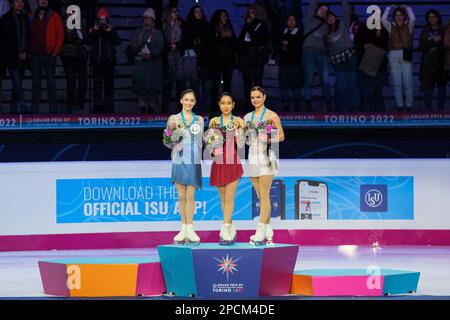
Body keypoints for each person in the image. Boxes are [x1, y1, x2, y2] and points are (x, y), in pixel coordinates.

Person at [244, 86, 285, 246]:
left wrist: (266, 137)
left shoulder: (271, 115)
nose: (255, 100)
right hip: (253, 157)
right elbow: (246, 140)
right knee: (260, 196)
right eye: (253, 97)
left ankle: (260, 231)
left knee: (265, 194)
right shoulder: (247, 117)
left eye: (258, 97)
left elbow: (281, 136)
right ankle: (268, 230)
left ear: (264, 97)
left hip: (268, 156)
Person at [164, 89, 204, 245]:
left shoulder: (199, 119)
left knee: (190, 195)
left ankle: (190, 228)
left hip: (193, 158)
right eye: (186, 99)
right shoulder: (173, 119)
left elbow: (200, 138)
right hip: (178, 157)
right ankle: (183, 228)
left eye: (191, 100)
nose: (189, 103)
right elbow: (167, 140)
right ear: (181, 100)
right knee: (181, 195)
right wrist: (174, 141)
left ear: (194, 103)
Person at [208, 93, 245, 245]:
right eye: (223, 103)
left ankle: (225, 230)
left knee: (230, 198)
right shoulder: (214, 121)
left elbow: (242, 145)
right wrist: (212, 147)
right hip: (218, 162)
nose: (226, 106)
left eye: (229, 103)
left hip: (232, 162)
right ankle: (230, 227)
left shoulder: (238, 121)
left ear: (233, 105)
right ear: (219, 104)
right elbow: (210, 144)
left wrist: (239, 130)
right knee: (223, 199)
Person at [30, 0, 64, 114]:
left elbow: (60, 35)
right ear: (38, 2)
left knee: (50, 83)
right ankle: (35, 110)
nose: (43, 1)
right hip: (35, 56)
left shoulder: (54, 16)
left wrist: (55, 52)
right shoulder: (31, 16)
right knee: (35, 83)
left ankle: (53, 110)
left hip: (50, 55)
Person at [130, 8, 165, 114]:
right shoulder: (137, 32)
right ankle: (142, 113)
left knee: (152, 92)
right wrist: (139, 49)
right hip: (140, 65)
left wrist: (151, 54)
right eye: (145, 18)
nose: (146, 20)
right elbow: (133, 45)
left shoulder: (158, 33)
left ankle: (151, 113)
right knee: (141, 92)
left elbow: (160, 46)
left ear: (153, 20)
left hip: (153, 65)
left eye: (148, 18)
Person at [325, 0, 358, 112]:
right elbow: (328, 49)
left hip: (350, 55)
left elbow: (347, 10)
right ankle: (343, 109)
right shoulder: (326, 33)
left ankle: (353, 108)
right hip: (337, 60)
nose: (330, 18)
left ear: (335, 16)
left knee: (352, 82)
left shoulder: (343, 23)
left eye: (331, 16)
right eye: (327, 18)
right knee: (342, 84)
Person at [382, 5, 416, 111]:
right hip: (393, 55)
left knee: (408, 82)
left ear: (404, 16)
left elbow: (413, 18)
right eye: (396, 15)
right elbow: (383, 19)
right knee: (396, 83)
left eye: (400, 15)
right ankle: (400, 106)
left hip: (406, 54)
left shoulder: (409, 26)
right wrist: (388, 9)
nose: (398, 17)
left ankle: (409, 106)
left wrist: (407, 8)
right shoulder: (390, 26)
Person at [88, 7, 121, 114]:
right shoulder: (94, 30)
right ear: (98, 20)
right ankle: (97, 111)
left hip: (109, 62)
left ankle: (109, 111)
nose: (102, 22)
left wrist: (111, 32)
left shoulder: (111, 29)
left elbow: (118, 42)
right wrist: (95, 31)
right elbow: (89, 42)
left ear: (107, 20)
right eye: (100, 20)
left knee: (109, 87)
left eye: (104, 20)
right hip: (97, 63)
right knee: (97, 88)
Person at [0, 0, 31, 114]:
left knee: (17, 84)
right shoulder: (5, 19)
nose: (20, 4)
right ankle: (23, 106)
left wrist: (26, 52)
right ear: (12, 4)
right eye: (17, 1)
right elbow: (6, 39)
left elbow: (28, 37)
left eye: (22, 2)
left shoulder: (25, 17)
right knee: (17, 81)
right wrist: (17, 52)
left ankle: (13, 111)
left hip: (23, 56)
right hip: (11, 56)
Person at [238, 5, 269, 113]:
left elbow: (260, 40)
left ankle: (259, 106)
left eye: (253, 12)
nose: (251, 14)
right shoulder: (246, 25)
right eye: (249, 12)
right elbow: (241, 42)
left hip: (256, 58)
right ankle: (248, 105)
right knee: (247, 83)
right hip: (246, 59)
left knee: (257, 82)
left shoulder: (261, 25)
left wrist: (250, 25)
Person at [354, 19, 389, 112]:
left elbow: (386, 46)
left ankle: (381, 117)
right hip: (365, 63)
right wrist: (363, 46)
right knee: (364, 91)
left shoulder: (385, 28)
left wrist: (379, 34)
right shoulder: (363, 27)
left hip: (379, 65)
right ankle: (363, 115)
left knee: (377, 91)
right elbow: (357, 43)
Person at [303, 0, 332, 111]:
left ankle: (328, 102)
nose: (323, 12)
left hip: (321, 54)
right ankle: (308, 103)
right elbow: (312, 3)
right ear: (317, 9)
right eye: (321, 9)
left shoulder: (326, 25)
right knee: (308, 79)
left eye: (325, 11)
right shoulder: (310, 17)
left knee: (325, 80)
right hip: (308, 52)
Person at [185, 5, 215, 114]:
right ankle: (196, 114)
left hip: (206, 62)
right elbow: (186, 43)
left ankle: (206, 114)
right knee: (195, 90)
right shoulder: (188, 26)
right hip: (193, 62)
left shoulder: (207, 26)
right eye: (196, 12)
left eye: (200, 11)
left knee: (206, 89)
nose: (198, 13)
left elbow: (211, 44)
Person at [60, 4, 88, 113]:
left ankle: (80, 105)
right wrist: (77, 33)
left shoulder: (82, 22)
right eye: (71, 12)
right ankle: (70, 106)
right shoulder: (63, 23)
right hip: (69, 55)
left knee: (83, 82)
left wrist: (78, 33)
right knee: (70, 83)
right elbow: (68, 37)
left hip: (81, 55)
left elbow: (84, 38)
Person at [419, 9, 447, 111]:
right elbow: (421, 47)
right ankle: (428, 114)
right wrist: (433, 42)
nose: (432, 19)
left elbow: (447, 46)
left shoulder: (444, 29)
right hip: (428, 65)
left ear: (438, 17)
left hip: (441, 64)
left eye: (434, 16)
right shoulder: (425, 31)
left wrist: (438, 46)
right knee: (428, 91)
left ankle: (441, 114)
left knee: (441, 90)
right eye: (429, 17)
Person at [211, 9, 237, 108]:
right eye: (223, 16)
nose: (225, 17)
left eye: (226, 16)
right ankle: (214, 106)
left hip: (228, 60)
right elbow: (212, 43)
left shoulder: (229, 27)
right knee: (216, 84)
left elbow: (235, 42)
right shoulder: (214, 28)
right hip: (217, 60)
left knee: (227, 84)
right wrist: (221, 36)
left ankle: (227, 105)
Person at [277, 14, 303, 112]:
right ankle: (285, 103)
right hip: (283, 64)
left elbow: (298, 47)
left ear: (296, 22)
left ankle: (297, 103)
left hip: (294, 63)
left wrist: (289, 44)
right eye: (289, 19)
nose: (291, 21)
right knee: (283, 84)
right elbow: (278, 45)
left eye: (293, 19)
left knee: (295, 84)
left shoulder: (300, 33)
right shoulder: (281, 33)